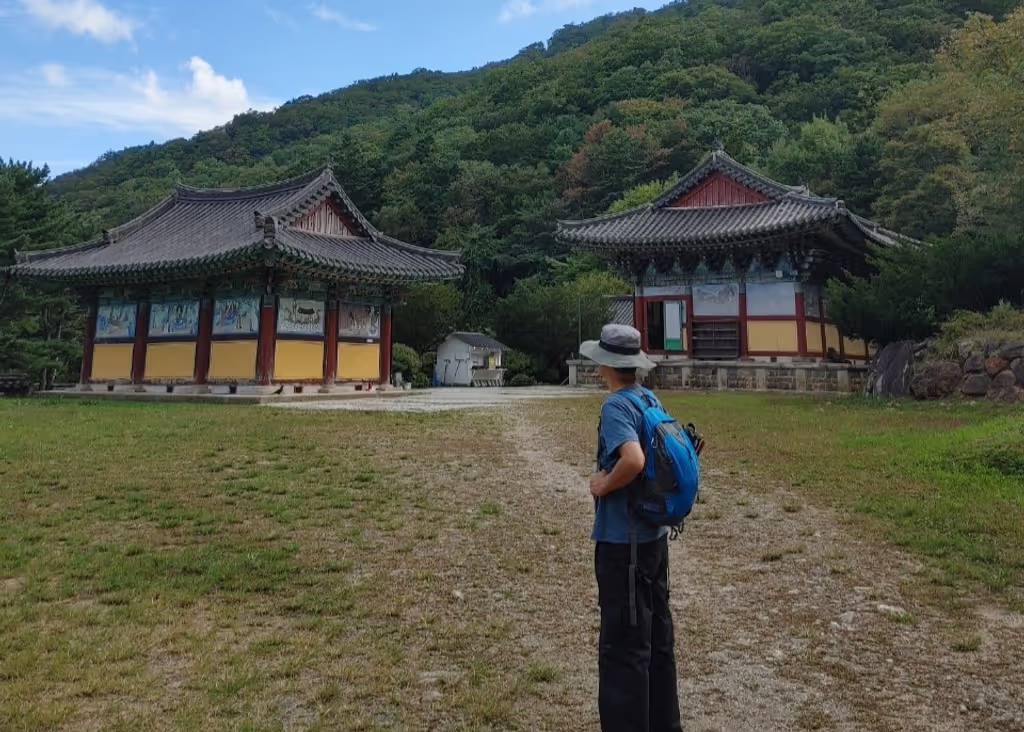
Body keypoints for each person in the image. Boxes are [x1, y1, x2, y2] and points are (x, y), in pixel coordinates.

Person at [580, 324, 682, 732]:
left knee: (623, 648)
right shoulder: (649, 398)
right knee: (658, 642)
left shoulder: (616, 406)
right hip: (655, 541)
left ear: (605, 364)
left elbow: (635, 460)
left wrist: (603, 483)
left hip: (623, 545)